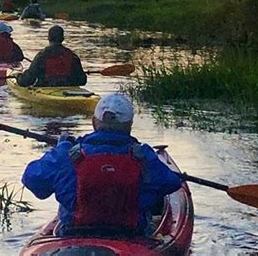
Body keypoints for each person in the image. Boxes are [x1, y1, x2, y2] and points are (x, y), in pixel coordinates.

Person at [22, 93, 182, 237]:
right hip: (130, 234)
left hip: (74, 234)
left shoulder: (67, 154)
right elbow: (171, 183)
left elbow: (33, 180)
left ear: (93, 122)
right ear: (129, 126)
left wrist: (60, 149)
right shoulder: (143, 156)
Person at [16, 25, 86, 87]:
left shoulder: (42, 56)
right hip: (68, 87)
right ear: (62, 39)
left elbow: (27, 80)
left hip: (46, 87)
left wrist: (18, 77)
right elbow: (82, 80)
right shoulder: (72, 56)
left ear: (49, 38)